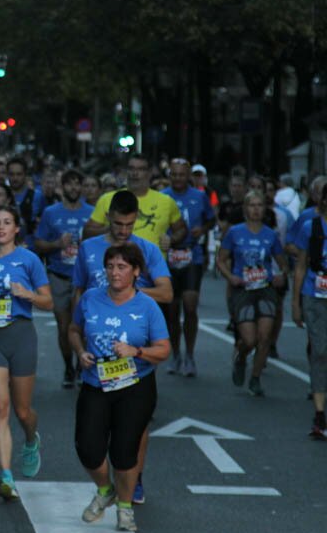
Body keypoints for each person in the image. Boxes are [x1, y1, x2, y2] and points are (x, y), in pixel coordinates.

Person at [74, 190, 172, 505]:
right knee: (90, 438)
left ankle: (135, 478)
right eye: (118, 224)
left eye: (130, 225)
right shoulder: (88, 248)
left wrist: (126, 292)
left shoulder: (147, 249)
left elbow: (167, 293)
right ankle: (111, 486)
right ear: (108, 216)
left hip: (133, 348)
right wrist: (81, 336)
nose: (123, 231)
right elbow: (79, 292)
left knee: (134, 425)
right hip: (97, 348)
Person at [0, 206, 52, 502]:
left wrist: (28, 295)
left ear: (17, 229)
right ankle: (6, 476)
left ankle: (31, 439)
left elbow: (48, 302)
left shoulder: (29, 260)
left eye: (7, 223)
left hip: (20, 335)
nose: (1, 227)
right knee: (0, 407)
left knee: (22, 411)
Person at [218, 190, 289, 397]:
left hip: (265, 289)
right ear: (245, 209)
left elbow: (283, 264)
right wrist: (231, 277)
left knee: (264, 337)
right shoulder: (234, 233)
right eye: (252, 205)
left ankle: (255, 378)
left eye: (260, 205)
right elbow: (221, 260)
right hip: (243, 289)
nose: (256, 209)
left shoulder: (270, 234)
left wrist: (281, 275)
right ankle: (241, 358)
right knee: (249, 340)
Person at [33, 169, 95, 387]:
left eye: (78, 184)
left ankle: (82, 363)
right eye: (69, 184)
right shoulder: (51, 212)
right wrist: (57, 245)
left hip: (86, 279)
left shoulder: (93, 212)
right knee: (63, 326)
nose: (74, 188)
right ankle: (68, 365)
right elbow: (38, 243)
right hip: (59, 275)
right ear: (62, 186)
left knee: (84, 325)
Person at [161, 159, 216, 377]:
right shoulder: (162, 196)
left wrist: (201, 230)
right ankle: (176, 354)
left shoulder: (200, 196)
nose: (177, 179)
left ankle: (190, 355)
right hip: (169, 258)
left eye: (181, 175)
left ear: (189, 176)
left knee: (190, 306)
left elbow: (211, 221)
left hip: (192, 256)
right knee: (172, 312)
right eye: (174, 174)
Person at [84, 154, 186, 252]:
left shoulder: (166, 201)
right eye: (131, 168)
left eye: (140, 169)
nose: (135, 173)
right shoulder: (107, 199)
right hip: (117, 267)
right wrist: (109, 229)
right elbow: (87, 233)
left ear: (150, 173)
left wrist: (171, 240)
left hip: (153, 267)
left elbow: (182, 229)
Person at [292, 191, 327, 438]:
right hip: (314, 295)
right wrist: (296, 303)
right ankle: (319, 413)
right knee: (320, 350)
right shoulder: (310, 226)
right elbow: (301, 265)